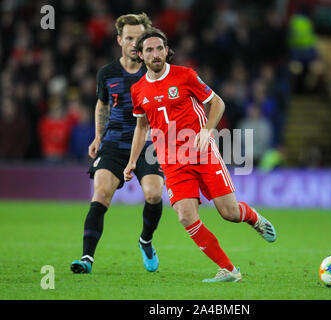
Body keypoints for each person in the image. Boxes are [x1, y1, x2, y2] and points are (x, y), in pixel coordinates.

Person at [124, 28, 277, 283]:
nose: (156, 54)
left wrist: (207, 131)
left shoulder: (185, 76)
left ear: (166, 50)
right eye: (149, 50)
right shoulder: (138, 89)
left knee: (228, 213)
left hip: (201, 152)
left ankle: (253, 217)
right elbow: (142, 127)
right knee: (186, 216)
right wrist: (131, 162)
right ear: (140, 55)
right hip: (171, 162)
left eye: (159, 48)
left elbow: (217, 103)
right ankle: (229, 270)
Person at [71, 14, 164, 274]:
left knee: (154, 194)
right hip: (113, 143)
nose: (135, 43)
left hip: (147, 145)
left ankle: (145, 240)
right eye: (130, 38)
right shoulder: (107, 73)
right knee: (100, 193)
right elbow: (102, 103)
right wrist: (98, 136)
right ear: (120, 40)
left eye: (140, 38)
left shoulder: (156, 72)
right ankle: (86, 258)